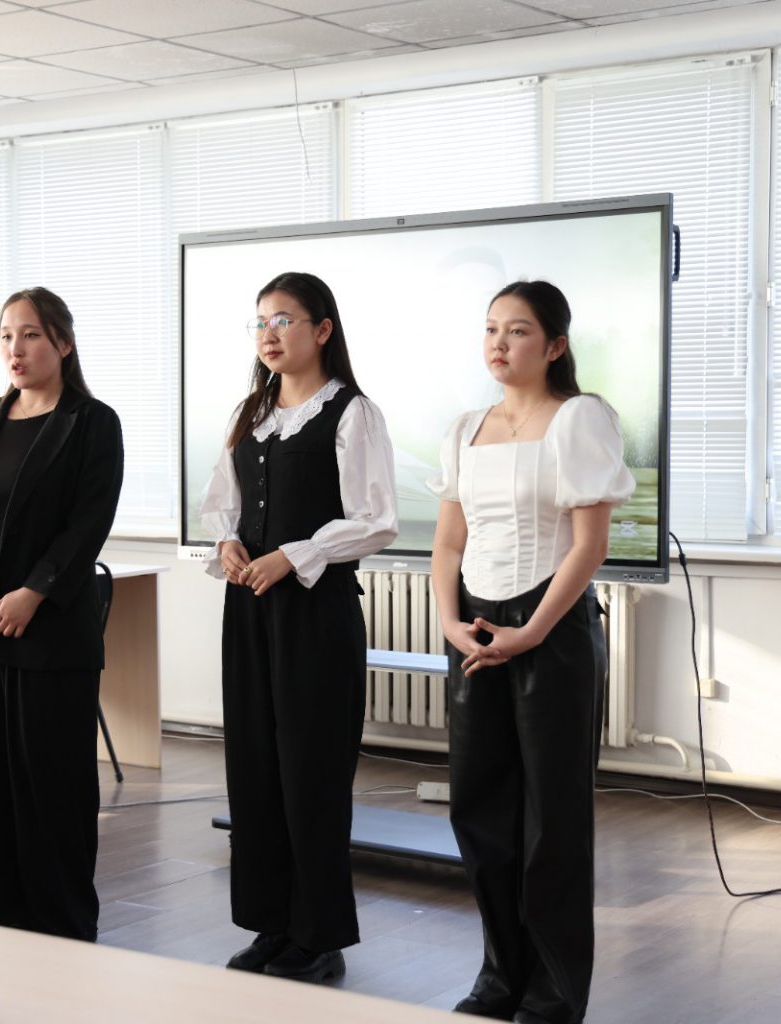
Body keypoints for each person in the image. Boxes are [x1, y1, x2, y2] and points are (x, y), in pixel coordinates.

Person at [428, 280, 634, 1023]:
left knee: (553, 819)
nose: (499, 343)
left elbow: (589, 546)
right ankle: (499, 976)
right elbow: (448, 543)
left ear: (554, 346)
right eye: (491, 329)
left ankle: (553, 992)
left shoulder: (579, 418)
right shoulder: (465, 428)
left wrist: (532, 633)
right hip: (475, 628)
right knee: (478, 809)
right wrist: (451, 622)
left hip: (552, 630)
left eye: (517, 331)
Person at [200, 270, 399, 983]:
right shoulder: (251, 411)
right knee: (254, 769)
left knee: (311, 774)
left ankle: (319, 937)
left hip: (315, 614)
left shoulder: (352, 412)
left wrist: (295, 555)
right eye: (260, 321)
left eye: (284, 319)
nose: (269, 333)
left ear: (322, 330)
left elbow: (376, 518)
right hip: (249, 611)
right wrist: (227, 542)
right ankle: (273, 924)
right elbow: (222, 503)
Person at [0, 286, 123, 942]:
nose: (16, 348)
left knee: (53, 792)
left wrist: (34, 592)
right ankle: (0, 930)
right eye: (6, 335)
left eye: (31, 335)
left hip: (51, 636)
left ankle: (63, 934)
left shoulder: (92, 423)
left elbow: (88, 524)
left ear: (63, 343)